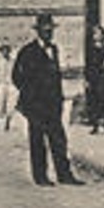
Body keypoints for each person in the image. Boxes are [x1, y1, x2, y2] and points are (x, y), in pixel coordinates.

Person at [12, 13, 85, 187]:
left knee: (59, 139)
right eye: (45, 31)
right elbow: (16, 76)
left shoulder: (54, 49)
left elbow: (55, 77)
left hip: (53, 104)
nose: (48, 34)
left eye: (50, 30)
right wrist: (30, 95)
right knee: (37, 141)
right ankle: (40, 177)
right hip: (35, 105)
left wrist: (58, 98)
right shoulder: (27, 51)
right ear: (38, 32)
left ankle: (64, 175)